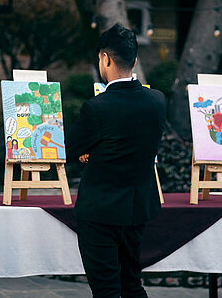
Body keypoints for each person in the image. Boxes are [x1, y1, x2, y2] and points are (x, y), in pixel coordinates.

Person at [66, 24, 166, 298]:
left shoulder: (96, 107)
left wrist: (90, 150)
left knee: (106, 290)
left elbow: (69, 147)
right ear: (134, 61)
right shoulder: (157, 101)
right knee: (132, 285)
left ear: (105, 59)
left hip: (100, 212)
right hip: (136, 209)